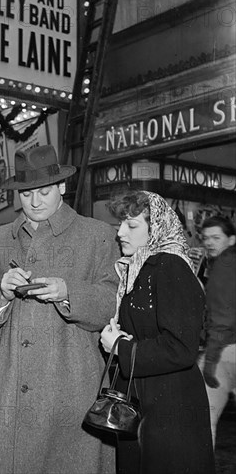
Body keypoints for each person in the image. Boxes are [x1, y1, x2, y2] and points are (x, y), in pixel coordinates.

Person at [0, 145, 120, 474]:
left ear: (62, 187)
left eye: (44, 192)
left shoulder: (98, 236)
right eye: (26, 193)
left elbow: (112, 303)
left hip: (74, 391)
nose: (34, 202)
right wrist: (2, 293)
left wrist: (69, 293)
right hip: (13, 392)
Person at [100, 190, 215, 474]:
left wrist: (120, 346)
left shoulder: (170, 266)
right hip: (145, 400)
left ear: (157, 229)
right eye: (120, 224)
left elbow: (181, 348)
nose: (121, 233)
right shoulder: (140, 267)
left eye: (132, 225)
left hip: (172, 407)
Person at [199, 215, 236, 447]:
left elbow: (222, 318)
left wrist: (211, 361)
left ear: (231, 239)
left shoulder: (224, 266)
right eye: (206, 238)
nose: (210, 243)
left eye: (216, 238)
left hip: (225, 352)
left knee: (203, 421)